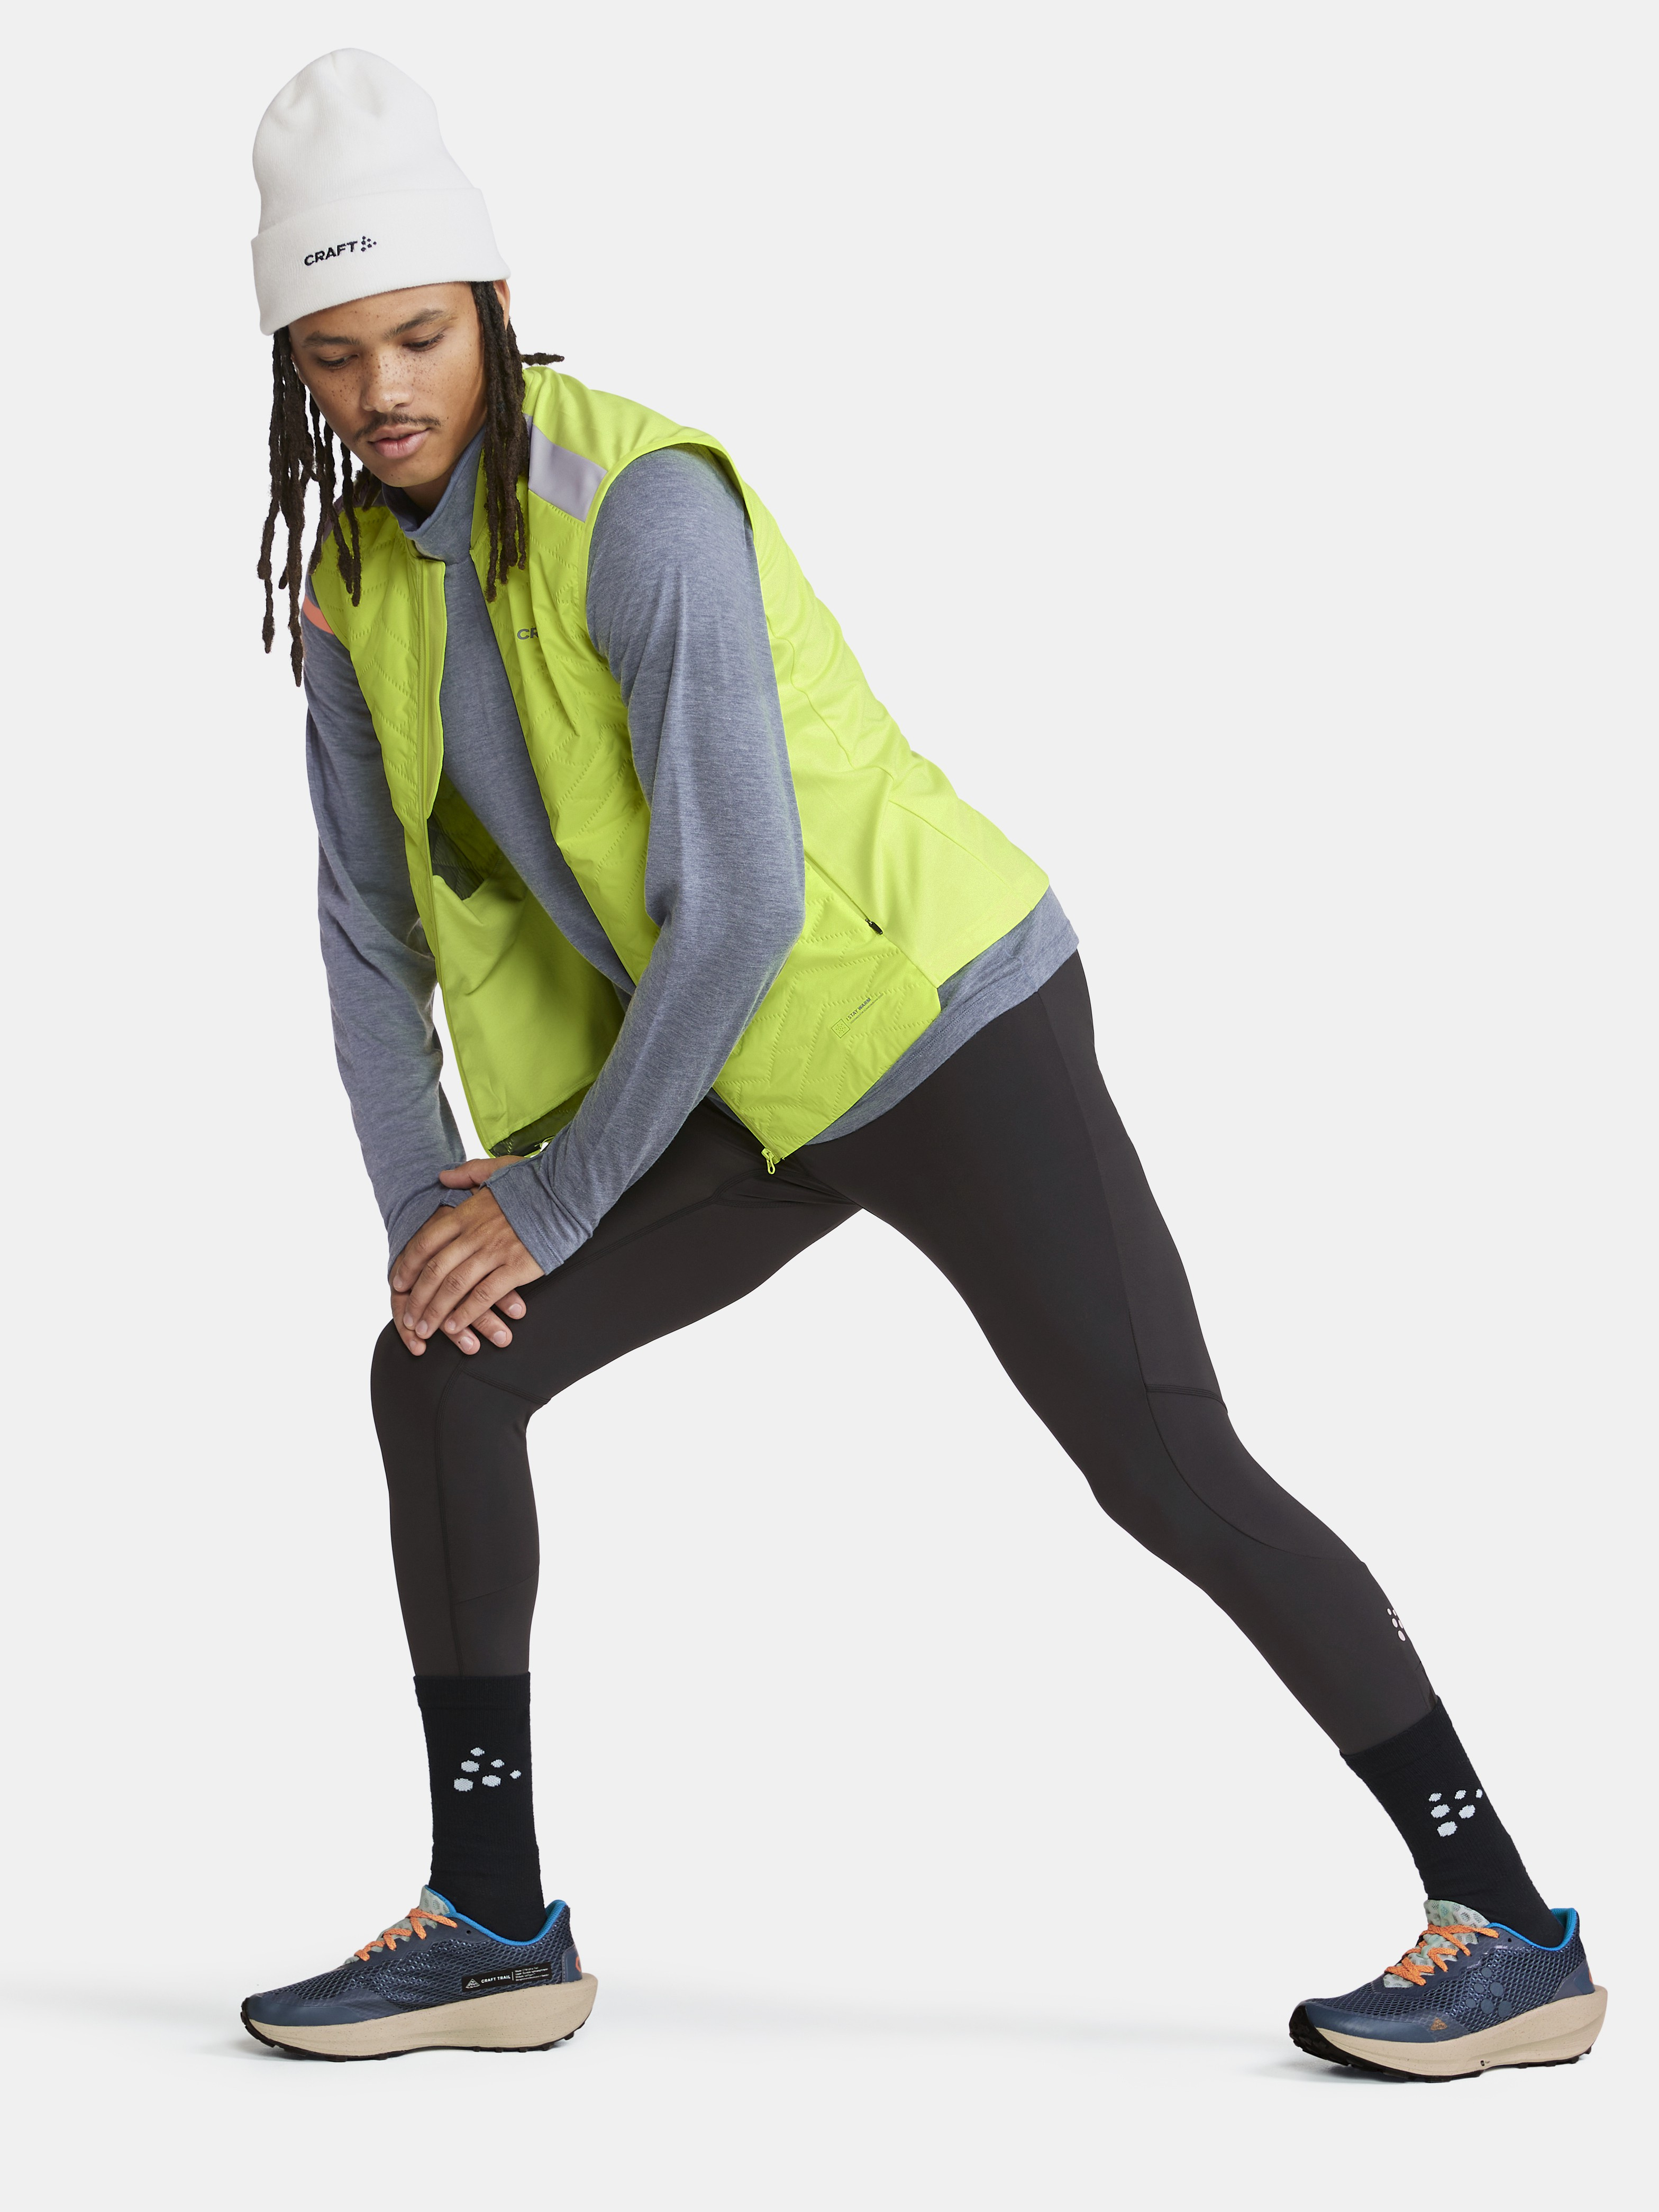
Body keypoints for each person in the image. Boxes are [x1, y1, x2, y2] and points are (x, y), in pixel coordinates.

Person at [239, 50, 1605, 2077]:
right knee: (444, 1363)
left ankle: (1507, 1928)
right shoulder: (355, 587)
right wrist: (428, 1218)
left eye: (420, 334)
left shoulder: (643, 511)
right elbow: (367, 927)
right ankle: (492, 1923)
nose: (384, 391)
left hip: (936, 1024)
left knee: (1162, 1461)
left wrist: (553, 1195)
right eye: (336, 355)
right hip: (726, 1077)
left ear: (500, 309)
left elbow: (746, 911)